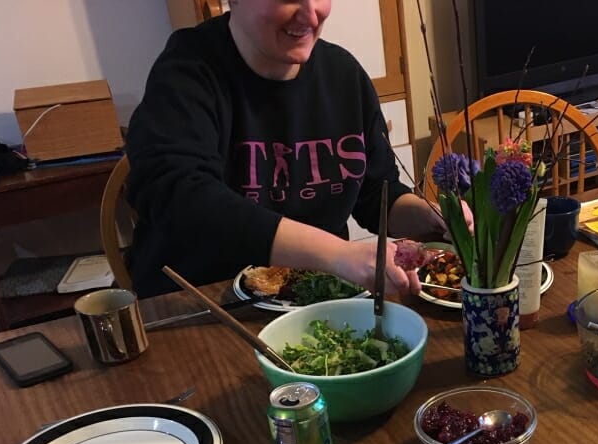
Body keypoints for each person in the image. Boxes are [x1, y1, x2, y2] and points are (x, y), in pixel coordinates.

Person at [125, 0, 458, 298]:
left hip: (313, 299)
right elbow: (179, 197)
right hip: (200, 302)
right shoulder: (188, 71)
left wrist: (427, 216)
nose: (311, 14)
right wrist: (337, 253)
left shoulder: (344, 76)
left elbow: (375, 195)